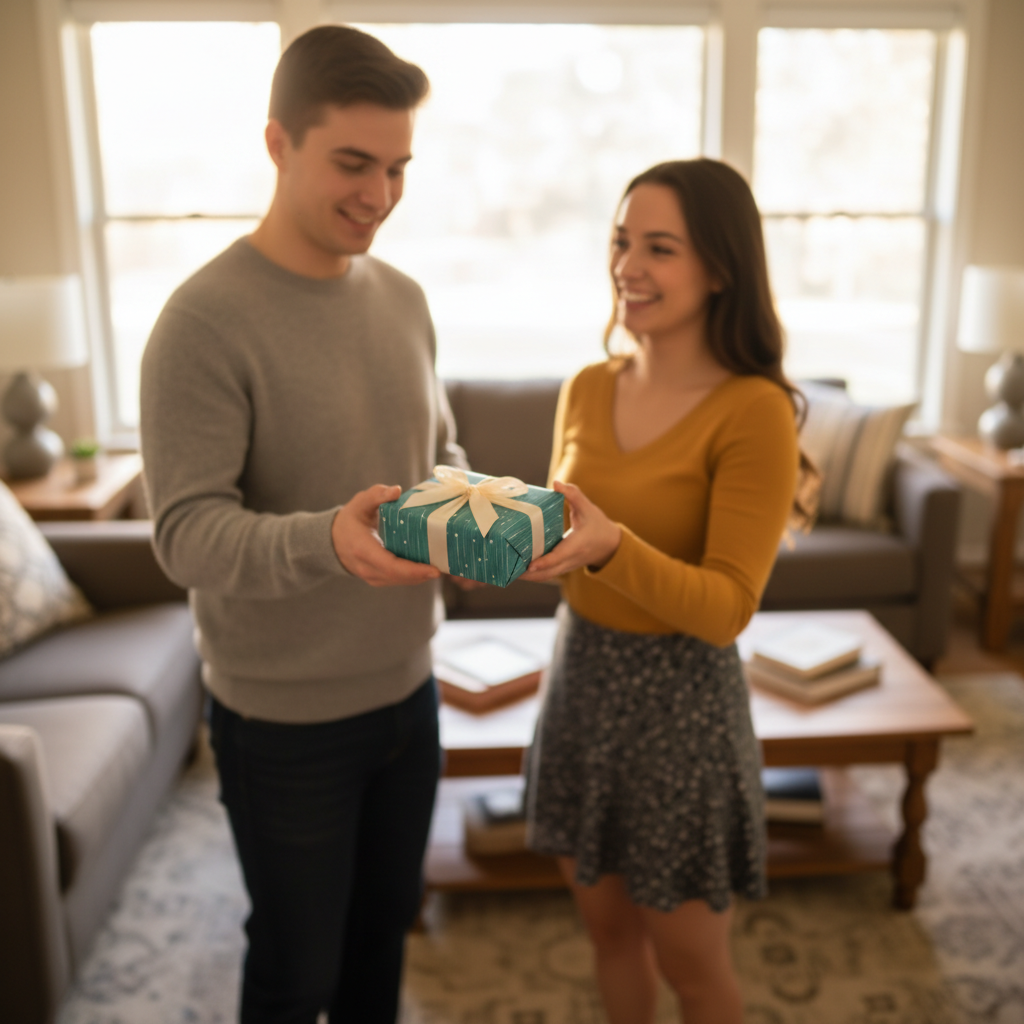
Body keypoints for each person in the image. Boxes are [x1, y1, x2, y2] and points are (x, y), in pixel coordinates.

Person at [139, 25, 466, 1024]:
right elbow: (186, 533)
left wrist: (476, 513)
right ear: (279, 144)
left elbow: (436, 455)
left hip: (410, 697)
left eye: (398, 167)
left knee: (378, 959)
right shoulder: (203, 322)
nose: (379, 194)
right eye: (353, 164)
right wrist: (329, 538)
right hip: (282, 725)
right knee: (296, 974)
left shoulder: (404, 299)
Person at [522, 158, 815, 1024]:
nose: (628, 267)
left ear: (719, 269)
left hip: (679, 707)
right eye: (621, 243)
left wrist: (613, 546)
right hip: (582, 681)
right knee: (607, 935)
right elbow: (561, 537)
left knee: (692, 965)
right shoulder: (586, 386)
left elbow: (726, 609)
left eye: (660, 248)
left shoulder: (753, 410)